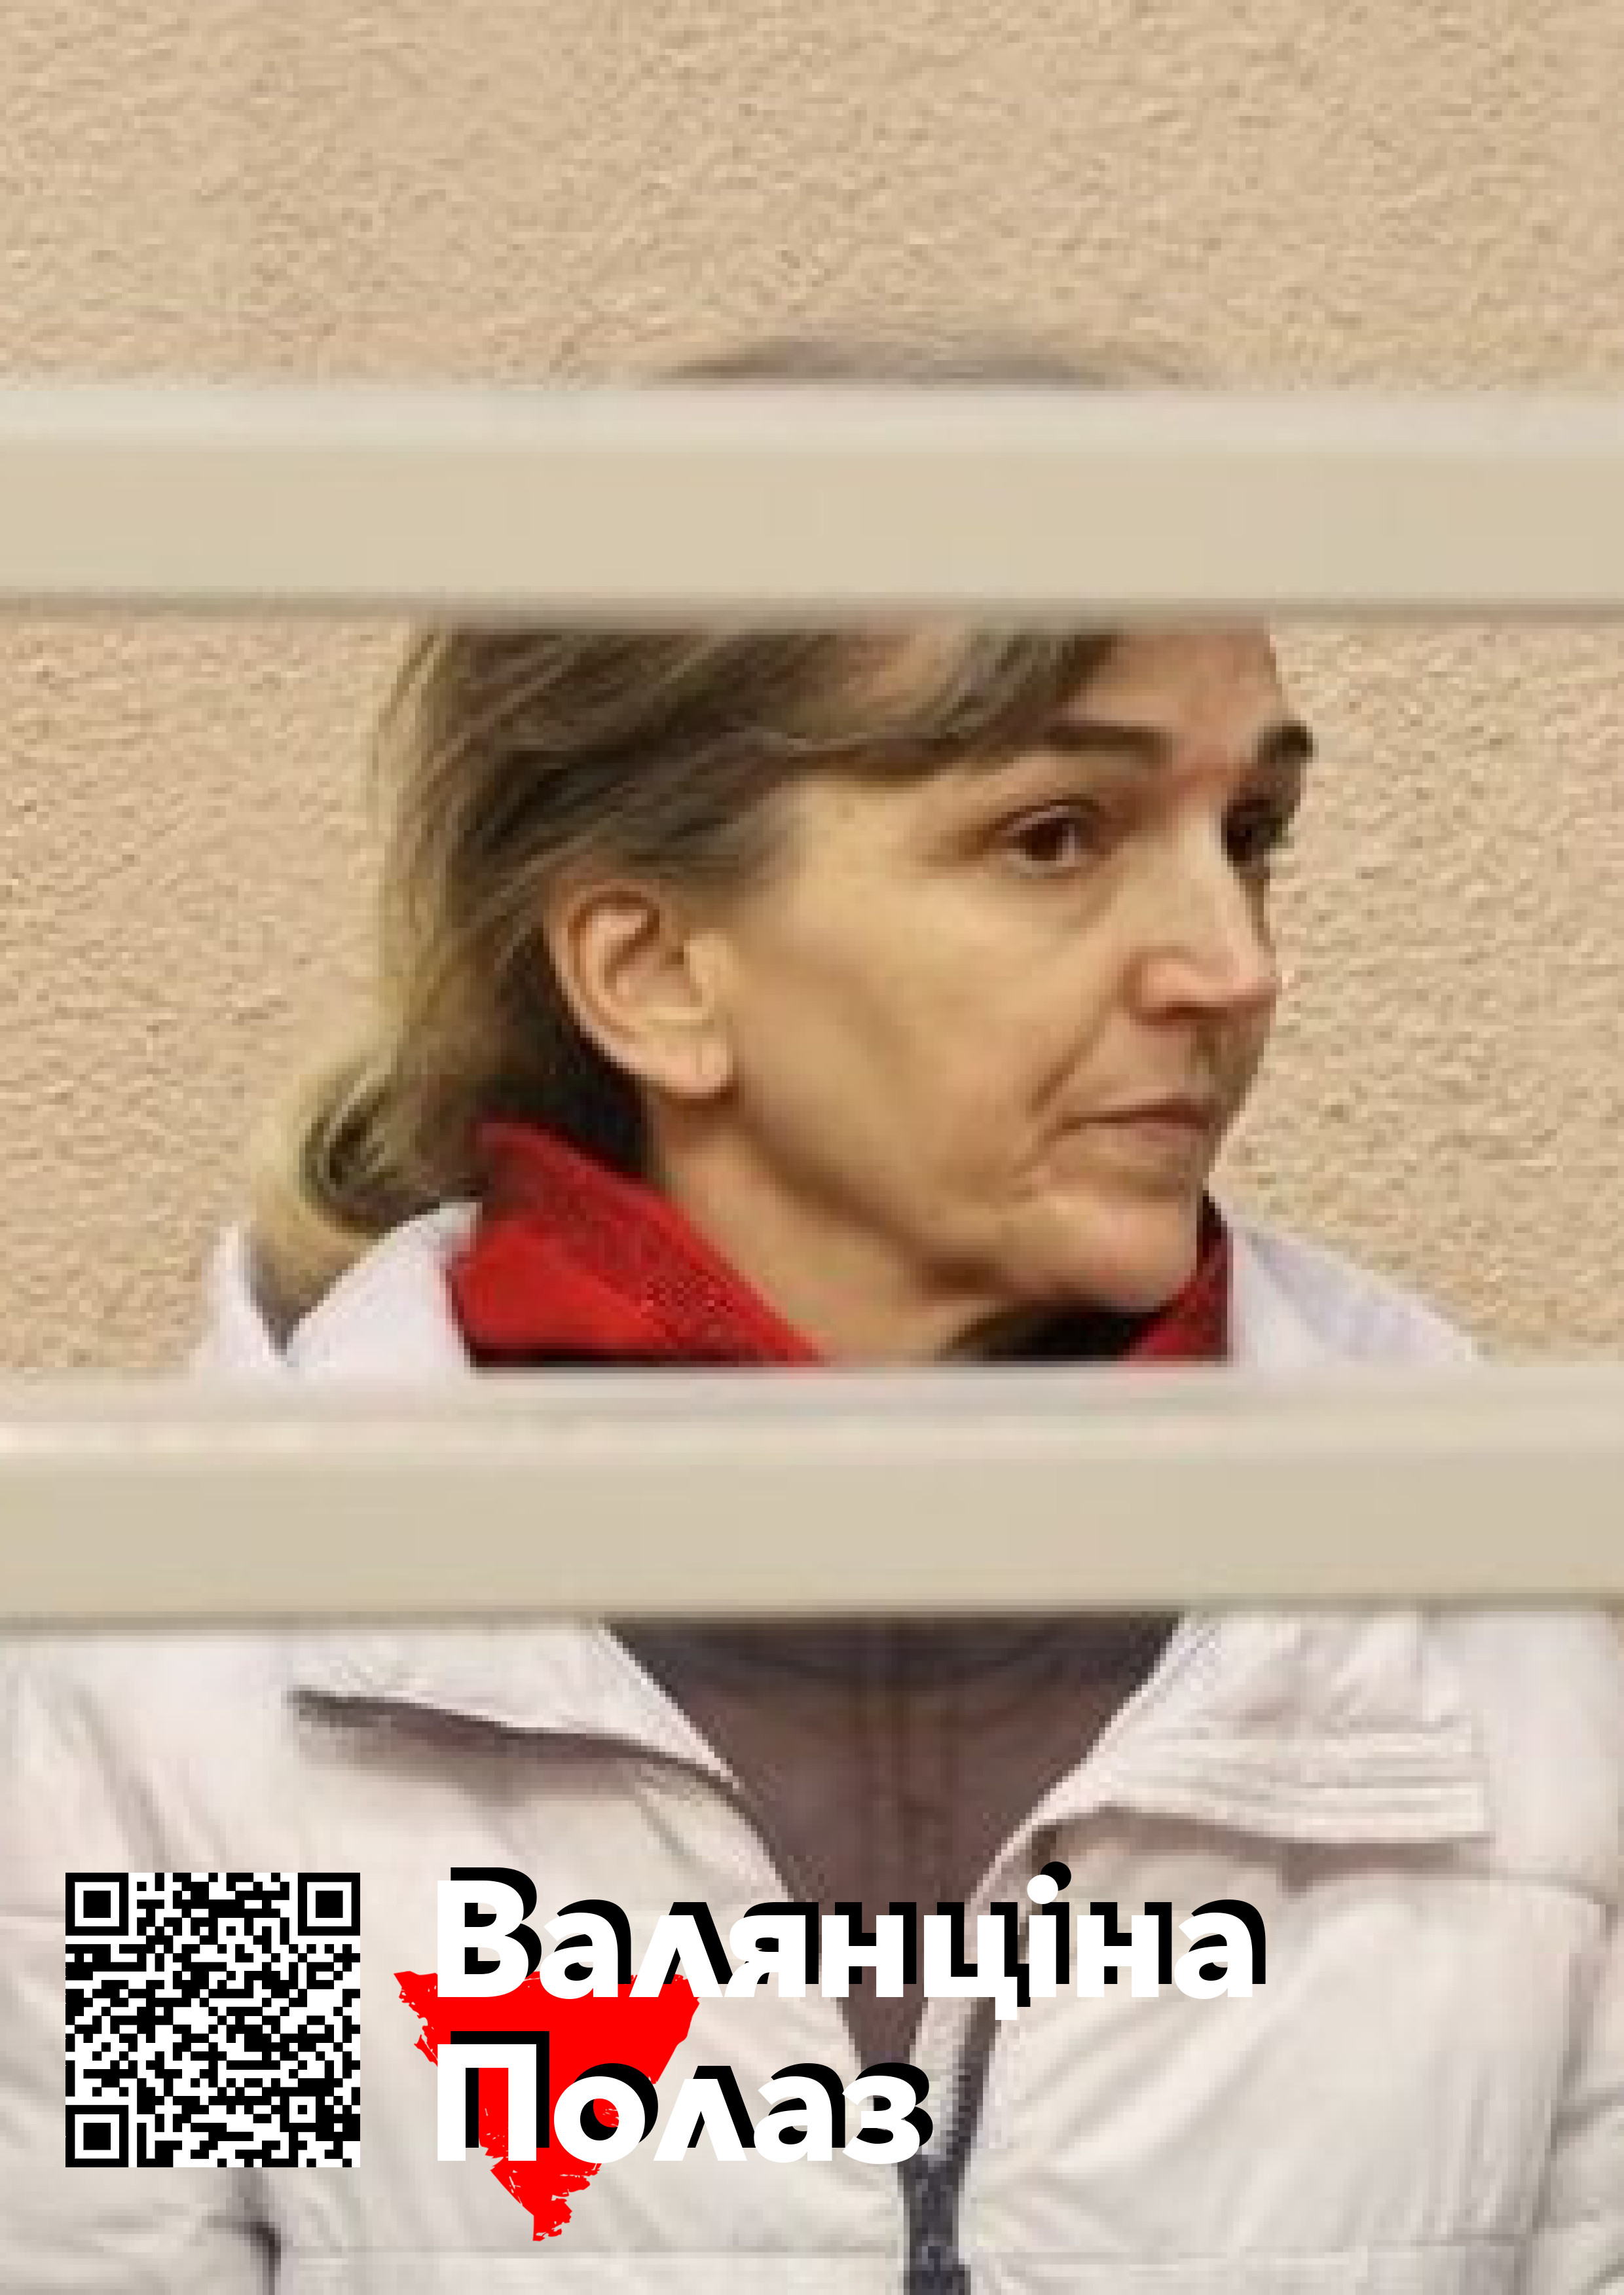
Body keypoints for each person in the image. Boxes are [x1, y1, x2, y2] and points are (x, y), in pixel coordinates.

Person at [1, 343, 1620, 2293]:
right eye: (1057, 836)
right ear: (654, 971)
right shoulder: (210, 1702)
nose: (1231, 962)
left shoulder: (1500, 1620)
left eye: (1250, 834)